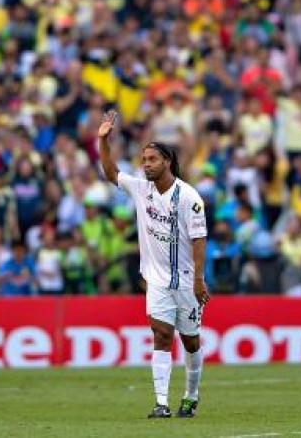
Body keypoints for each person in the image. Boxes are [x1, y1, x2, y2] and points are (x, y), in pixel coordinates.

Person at [98, 110, 208, 419]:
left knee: (190, 341)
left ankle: (191, 395)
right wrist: (103, 141)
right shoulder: (140, 189)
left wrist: (199, 280)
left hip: (186, 279)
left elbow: (199, 240)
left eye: (152, 160)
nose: (146, 164)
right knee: (161, 335)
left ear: (167, 162)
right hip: (156, 280)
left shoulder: (188, 197)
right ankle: (161, 403)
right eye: (144, 159)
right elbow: (111, 172)